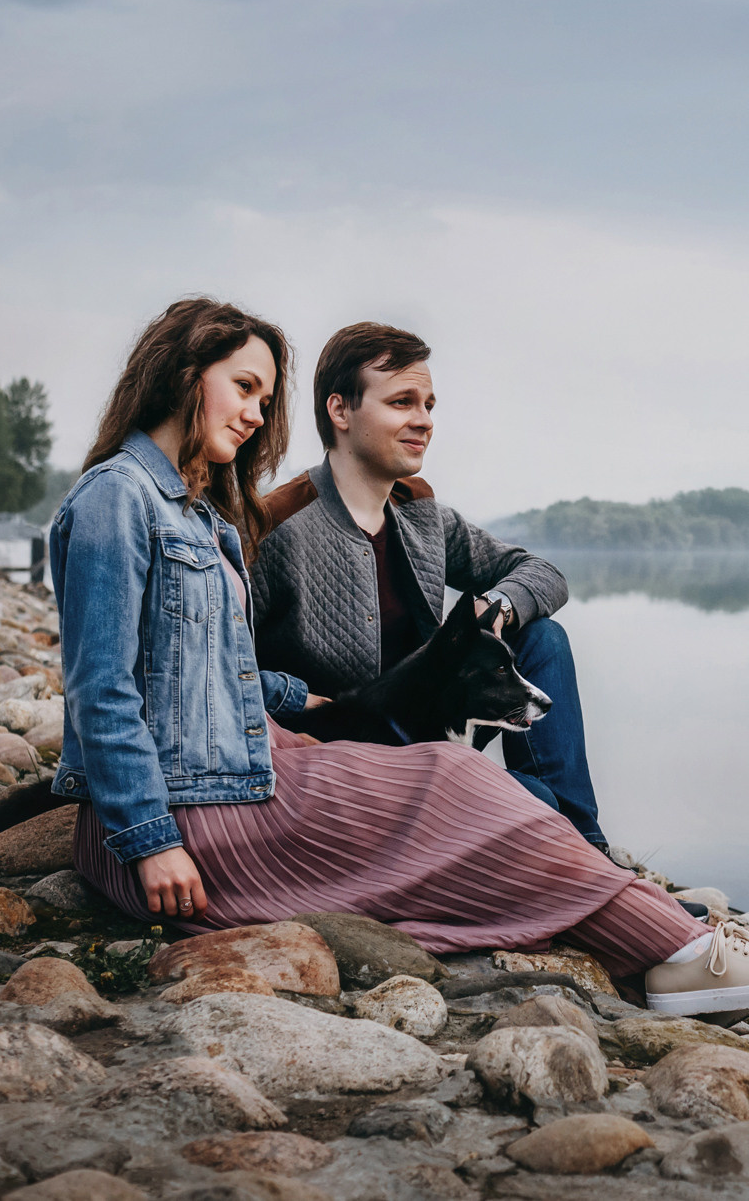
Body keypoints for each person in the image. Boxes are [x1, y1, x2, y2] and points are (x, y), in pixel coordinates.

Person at [49, 297, 749, 1013]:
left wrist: (299, 706)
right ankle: (679, 949)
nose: (259, 413)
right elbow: (104, 691)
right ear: (185, 372)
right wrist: (150, 839)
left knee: (485, 738)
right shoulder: (128, 499)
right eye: (245, 387)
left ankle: (676, 932)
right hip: (194, 808)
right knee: (464, 786)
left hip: (246, 764)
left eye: (266, 395)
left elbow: (210, 672)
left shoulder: (201, 514)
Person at [248, 322, 618, 857]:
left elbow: (541, 572)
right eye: (402, 402)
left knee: (543, 637)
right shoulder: (273, 528)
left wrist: (498, 608)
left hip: (427, 729)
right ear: (340, 411)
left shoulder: (421, 513)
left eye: (428, 405)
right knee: (538, 803)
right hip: (345, 758)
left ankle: (588, 848)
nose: (424, 420)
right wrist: (289, 697)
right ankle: (562, 841)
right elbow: (209, 668)